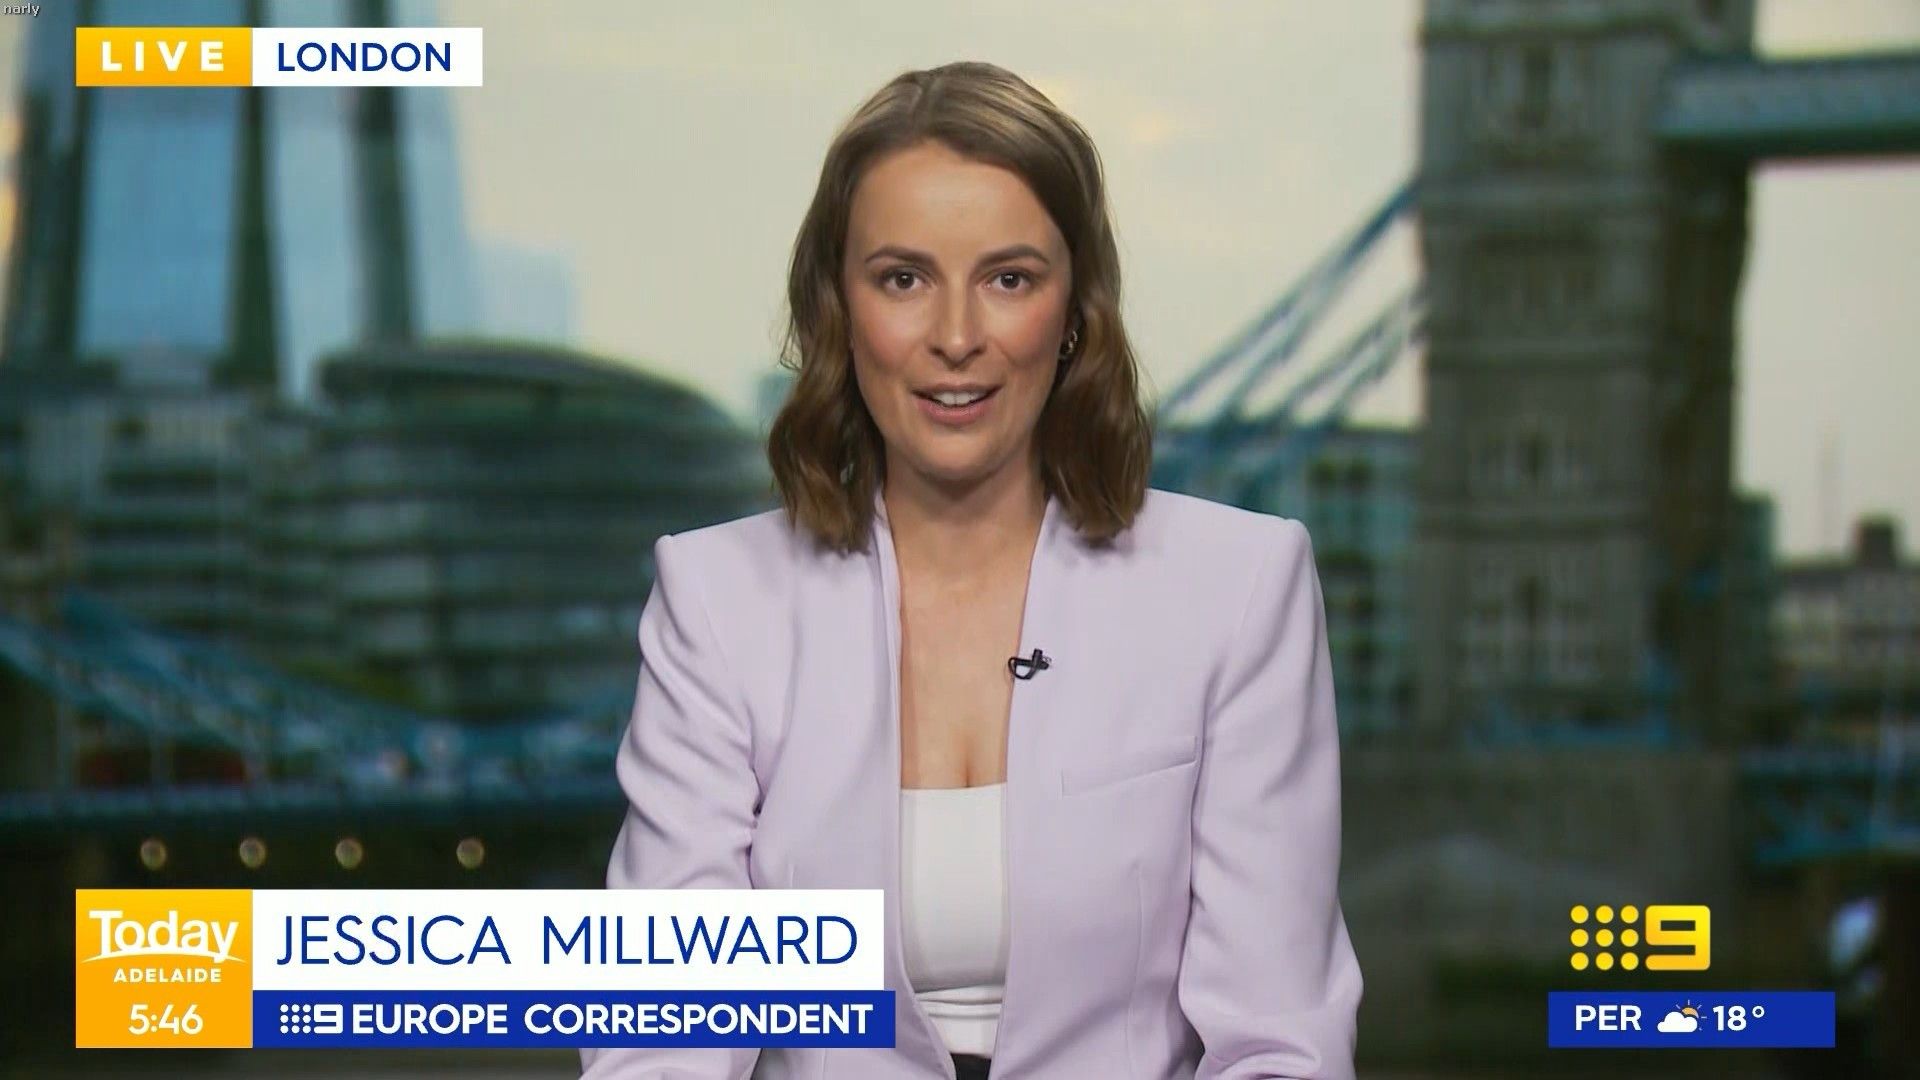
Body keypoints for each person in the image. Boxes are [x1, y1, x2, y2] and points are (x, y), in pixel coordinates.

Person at [581, 60, 1362, 1080]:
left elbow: (1278, 1040)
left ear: (1075, 310)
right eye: (903, 280)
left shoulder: (1240, 587)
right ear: (838, 307)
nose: (955, 338)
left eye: (1009, 280)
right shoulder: (719, 601)